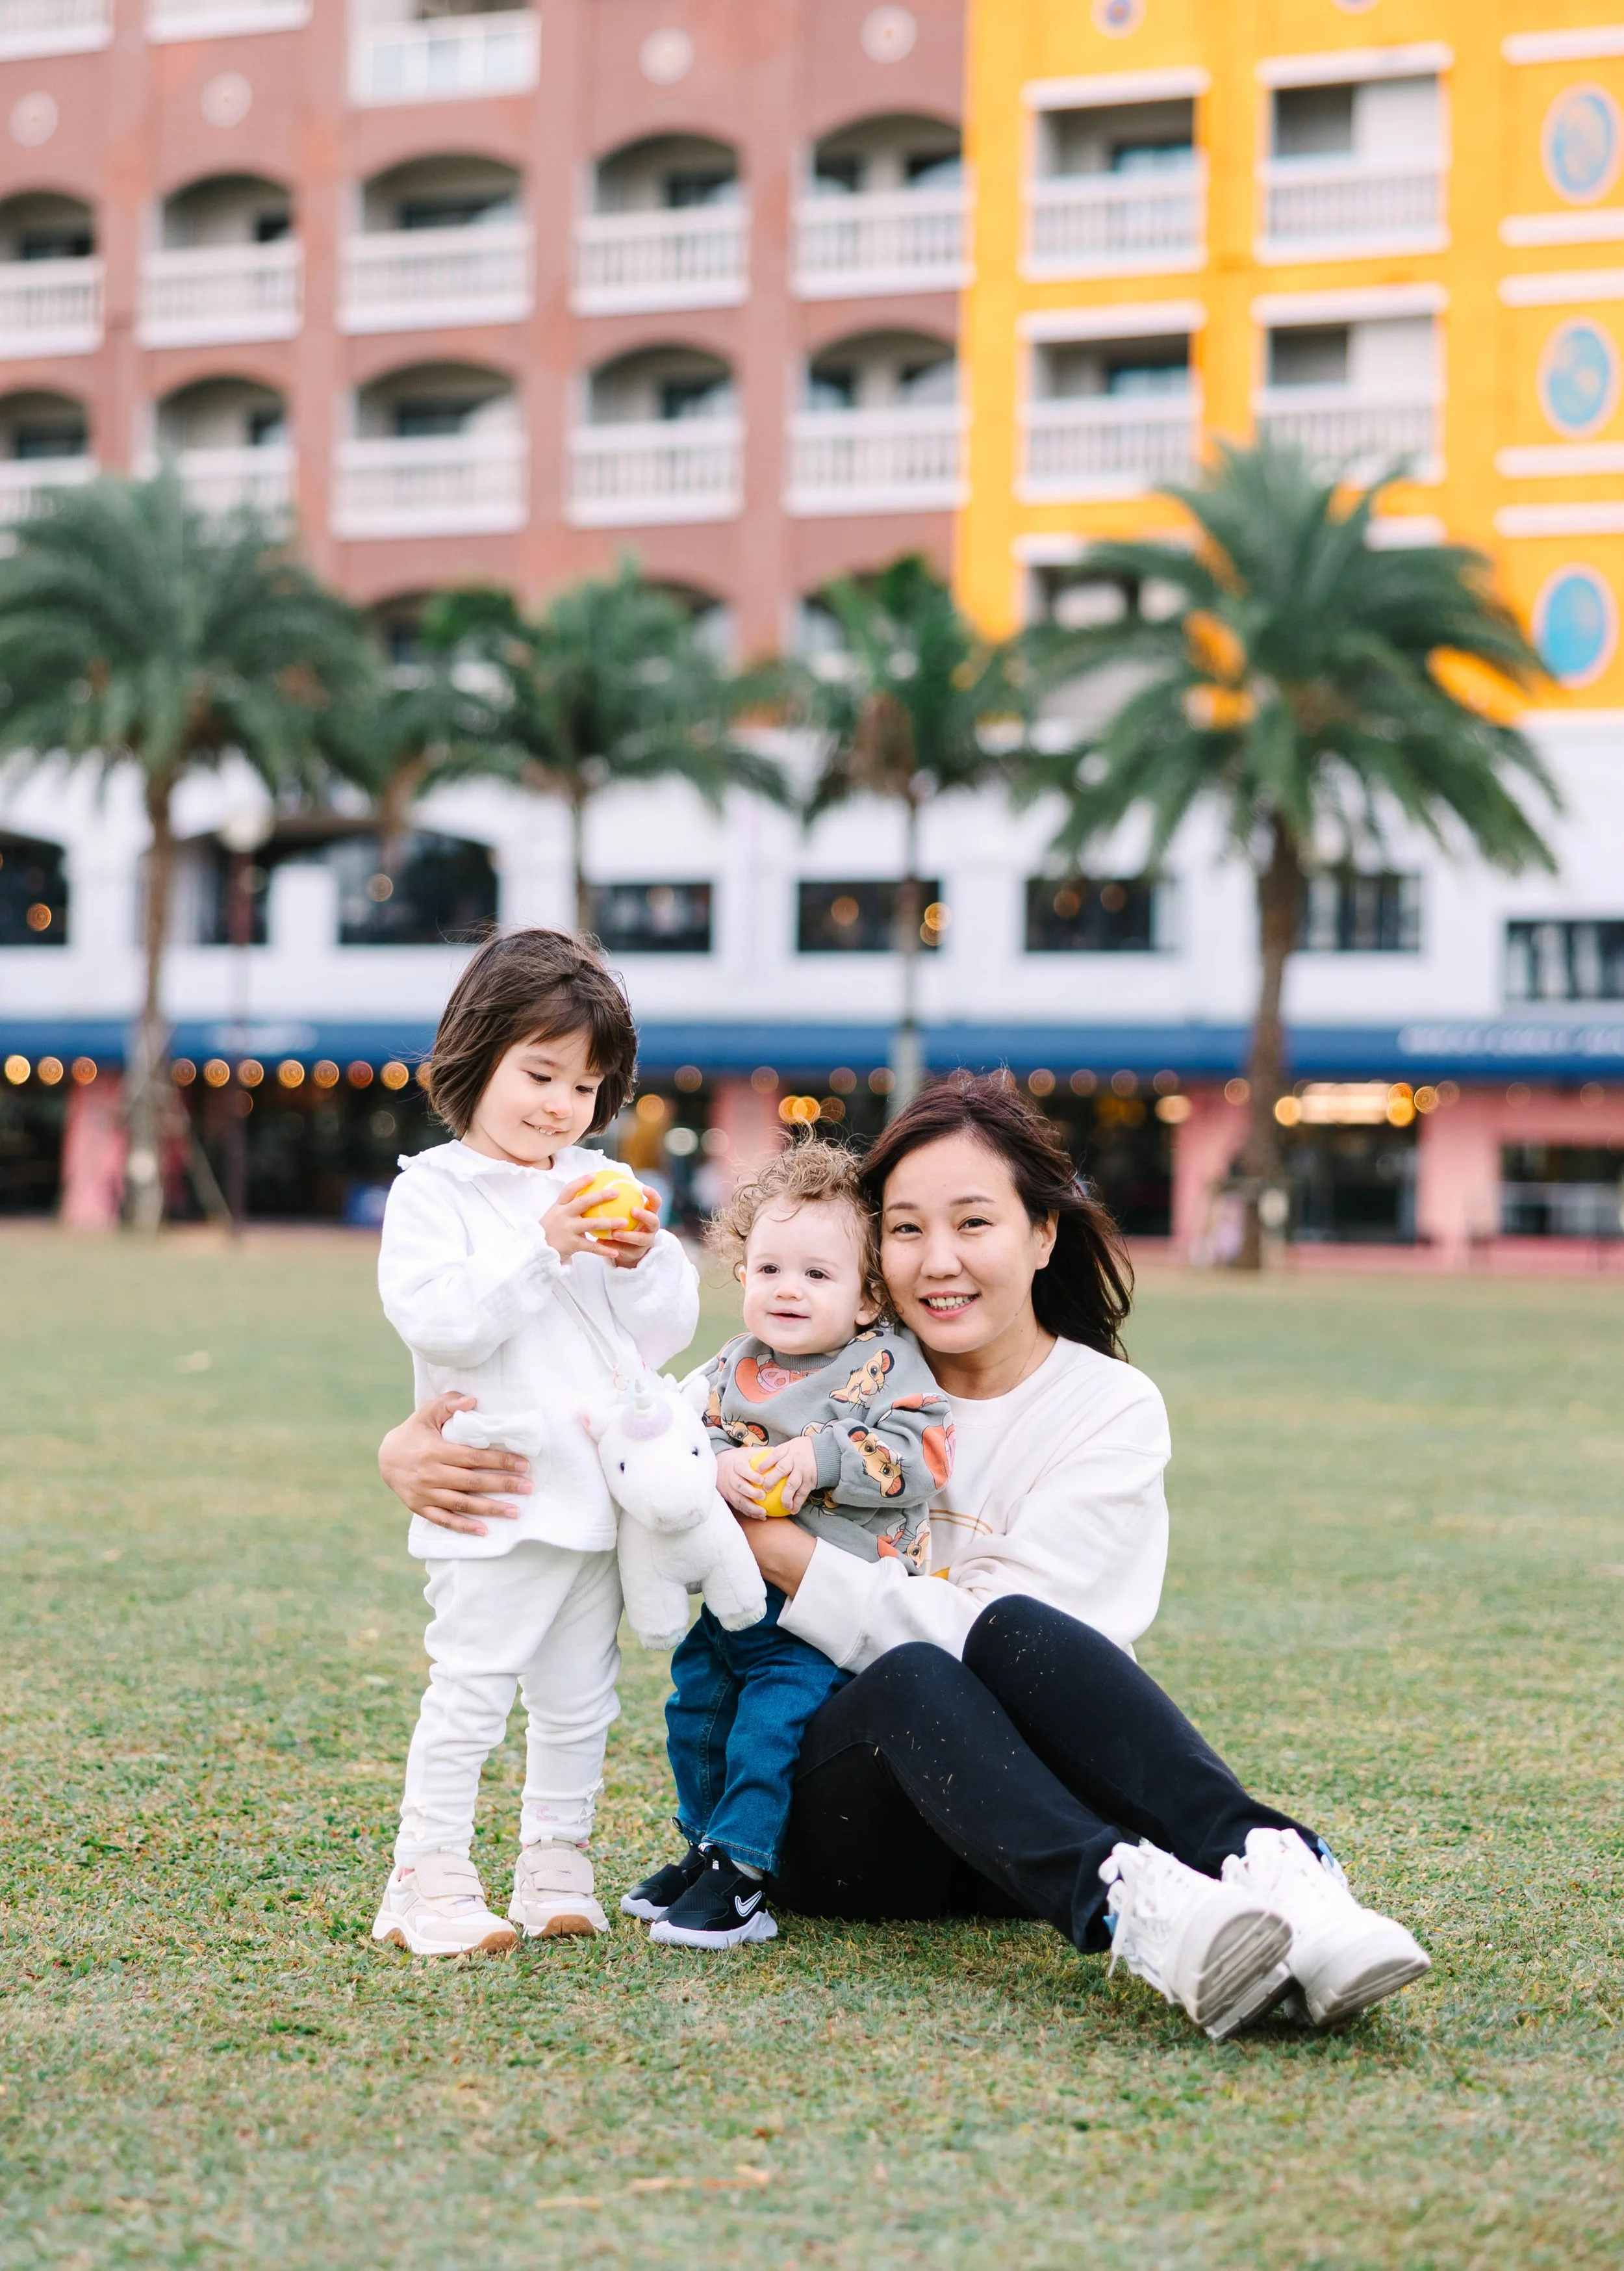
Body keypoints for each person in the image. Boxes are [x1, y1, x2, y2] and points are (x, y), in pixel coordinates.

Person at [379, 1075, 1428, 2040]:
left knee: (1010, 1630)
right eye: (907, 1228)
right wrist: (403, 1450)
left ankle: (1280, 1870)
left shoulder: (1105, 1405)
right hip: (834, 1815)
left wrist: (785, 1553)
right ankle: (1145, 1913)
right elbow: (637, 1443)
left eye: (974, 1222)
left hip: (1025, 1804)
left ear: (1043, 1233)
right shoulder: (791, 1368)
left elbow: (1067, 1655)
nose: (938, 1259)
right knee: (915, 1672)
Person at [370, 929, 698, 1960]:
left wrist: (645, 1258)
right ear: (476, 1057)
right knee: (471, 1689)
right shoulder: (436, 1190)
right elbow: (444, 1324)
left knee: (578, 1699)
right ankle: (425, 1874)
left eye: (586, 1086)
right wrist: (542, 1245)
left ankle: (555, 1861)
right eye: (541, 1073)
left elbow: (664, 1332)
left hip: (596, 1495)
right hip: (495, 1486)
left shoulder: (602, 1182)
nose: (561, 1105)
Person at [623, 1140, 952, 1950]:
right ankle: (704, 1846)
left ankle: (743, 1871)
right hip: (735, 1595)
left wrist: (820, 1457)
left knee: (767, 1728)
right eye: (769, 1269)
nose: (787, 1289)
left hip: (822, 1608)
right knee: (696, 1712)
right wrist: (718, 1465)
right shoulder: (732, 1364)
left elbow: (922, 1456)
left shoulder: (886, 1365)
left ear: (868, 1296)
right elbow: (676, 1433)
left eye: (816, 1274)